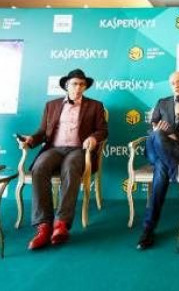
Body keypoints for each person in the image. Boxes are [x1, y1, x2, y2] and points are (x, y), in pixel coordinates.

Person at [19, 68, 107, 250]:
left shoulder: (95, 106)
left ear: (85, 87)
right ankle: (43, 226)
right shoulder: (51, 105)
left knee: (71, 167)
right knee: (39, 167)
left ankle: (61, 224)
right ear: (67, 85)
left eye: (82, 84)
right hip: (54, 149)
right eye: (74, 84)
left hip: (78, 150)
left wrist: (93, 138)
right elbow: (43, 132)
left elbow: (102, 130)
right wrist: (31, 140)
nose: (78, 87)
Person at [137, 71, 179, 250]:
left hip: (178, 150)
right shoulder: (162, 102)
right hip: (156, 148)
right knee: (157, 134)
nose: (176, 85)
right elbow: (153, 125)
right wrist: (161, 132)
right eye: (173, 83)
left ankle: (148, 229)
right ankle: (177, 174)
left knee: (161, 171)